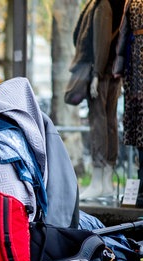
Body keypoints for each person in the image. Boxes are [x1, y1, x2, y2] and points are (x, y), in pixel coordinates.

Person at [70, 0, 124, 200]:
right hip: (112, 72)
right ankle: (105, 182)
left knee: (99, 121)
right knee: (109, 122)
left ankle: (98, 180)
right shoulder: (118, 4)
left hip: (101, 73)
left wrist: (96, 73)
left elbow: (101, 39)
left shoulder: (104, 4)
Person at [114, 0, 143, 205]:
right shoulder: (131, 1)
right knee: (140, 128)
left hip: (136, 66)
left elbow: (124, 34)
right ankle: (140, 190)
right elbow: (124, 33)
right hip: (136, 69)